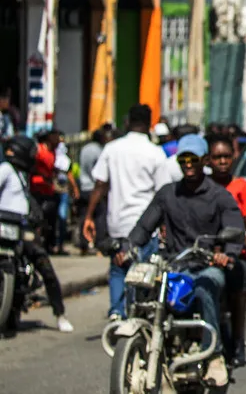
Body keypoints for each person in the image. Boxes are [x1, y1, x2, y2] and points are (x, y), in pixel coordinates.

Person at [124, 134, 243, 387]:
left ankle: (214, 354)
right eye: (183, 159)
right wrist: (129, 246)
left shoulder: (219, 196)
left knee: (206, 285)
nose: (188, 164)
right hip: (173, 266)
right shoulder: (167, 194)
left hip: (206, 265)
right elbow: (144, 227)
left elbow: (235, 230)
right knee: (144, 286)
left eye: (193, 159)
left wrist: (226, 254)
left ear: (204, 161)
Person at [83, 104, 172, 320]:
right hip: (145, 225)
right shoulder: (155, 153)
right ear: (150, 123)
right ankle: (138, 313)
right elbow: (164, 193)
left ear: (128, 122)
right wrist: (165, 225)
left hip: (118, 222)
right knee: (143, 270)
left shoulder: (112, 149)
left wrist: (88, 216)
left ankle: (116, 311)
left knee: (118, 268)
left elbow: (100, 185)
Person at [0, 136, 73, 335]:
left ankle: (60, 314)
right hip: (4, 227)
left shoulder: (23, 175)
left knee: (44, 265)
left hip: (22, 229)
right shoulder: (6, 169)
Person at [204, 132, 246, 365]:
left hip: (236, 257)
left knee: (238, 284)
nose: (223, 161)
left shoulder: (243, 188)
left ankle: (237, 343)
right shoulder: (201, 188)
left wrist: (230, 252)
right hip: (203, 255)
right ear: (208, 160)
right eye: (217, 157)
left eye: (227, 156)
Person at [77, 125, 112, 252]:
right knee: (100, 216)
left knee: (84, 216)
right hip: (93, 188)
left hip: (83, 186)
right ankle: (99, 244)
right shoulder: (99, 151)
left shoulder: (84, 149)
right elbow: (98, 174)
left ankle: (83, 243)